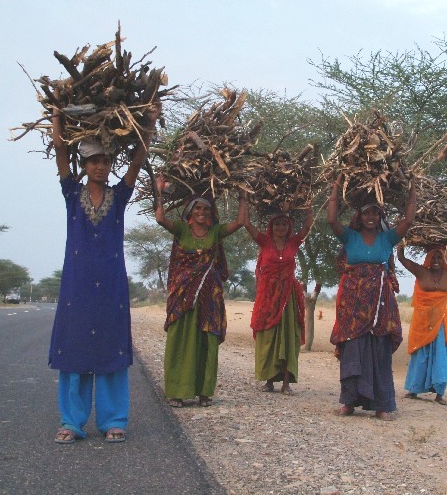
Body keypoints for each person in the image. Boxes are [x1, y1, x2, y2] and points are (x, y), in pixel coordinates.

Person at [49, 103, 159, 444]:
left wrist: (149, 125)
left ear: (111, 165)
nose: (100, 166)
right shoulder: (71, 193)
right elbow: (60, 154)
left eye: (105, 161)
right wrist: (57, 118)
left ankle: (114, 420)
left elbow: (138, 162)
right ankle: (72, 421)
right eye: (94, 161)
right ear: (85, 166)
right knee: (75, 346)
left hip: (111, 282)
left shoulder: (119, 195)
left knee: (110, 346)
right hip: (77, 283)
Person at [326, 176, 417, 421]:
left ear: (380, 217)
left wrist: (412, 190)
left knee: (378, 348)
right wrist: (335, 187)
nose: (371, 218)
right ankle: (348, 401)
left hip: (380, 301)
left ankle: (382, 405)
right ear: (359, 216)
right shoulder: (350, 238)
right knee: (353, 347)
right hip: (352, 302)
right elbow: (332, 219)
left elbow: (408, 220)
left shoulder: (387, 239)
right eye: (367, 213)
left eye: (376, 214)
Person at [155, 185, 246, 408]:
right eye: (197, 208)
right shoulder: (181, 230)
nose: (202, 213)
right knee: (180, 340)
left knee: (208, 341)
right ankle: (176, 391)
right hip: (183, 296)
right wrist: (159, 191)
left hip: (209, 297)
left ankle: (205, 392)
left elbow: (240, 222)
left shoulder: (216, 232)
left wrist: (244, 194)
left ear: (211, 212)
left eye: (206, 209)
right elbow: (159, 218)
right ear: (189, 212)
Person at [244, 207, 314, 394]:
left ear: (289, 227)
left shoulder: (294, 242)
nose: (281, 228)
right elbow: (246, 224)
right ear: (271, 226)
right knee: (268, 336)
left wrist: (309, 208)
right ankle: (268, 380)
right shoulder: (264, 242)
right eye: (277, 224)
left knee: (288, 337)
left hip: (288, 298)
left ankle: (286, 382)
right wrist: (244, 199)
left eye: (284, 224)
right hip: (268, 297)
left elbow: (307, 227)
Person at [396, 239, 447, 405]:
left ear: (444, 259)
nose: (436, 261)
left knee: (441, 355)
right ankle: (414, 389)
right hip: (423, 322)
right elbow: (401, 258)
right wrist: (402, 241)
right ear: (427, 259)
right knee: (421, 354)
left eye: (439, 258)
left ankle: (439, 393)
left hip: (443, 323)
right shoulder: (421, 272)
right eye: (433, 258)